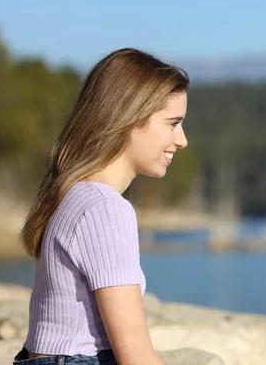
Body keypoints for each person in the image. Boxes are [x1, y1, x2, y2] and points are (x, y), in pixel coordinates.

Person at [13, 48, 189, 365]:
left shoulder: (74, 194)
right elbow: (136, 358)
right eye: (173, 123)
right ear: (132, 119)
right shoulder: (105, 210)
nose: (182, 139)